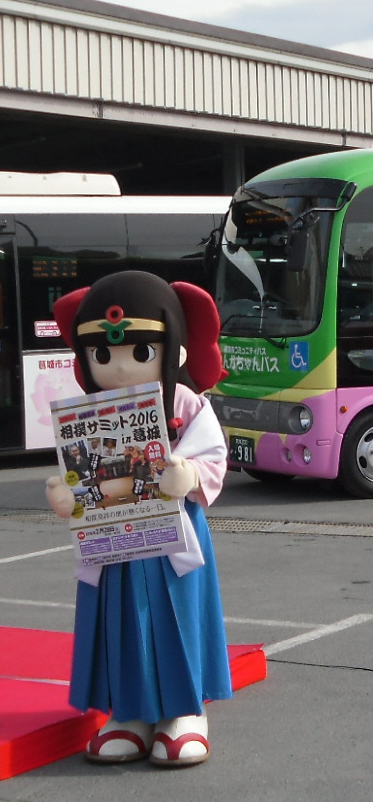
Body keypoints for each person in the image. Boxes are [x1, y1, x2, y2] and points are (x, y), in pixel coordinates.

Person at [44, 271, 231, 768]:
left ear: (173, 350)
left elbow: (213, 454)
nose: (121, 366)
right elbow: (78, 470)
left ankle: (184, 712)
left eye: (141, 351)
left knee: (177, 616)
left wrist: (190, 474)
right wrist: (66, 493)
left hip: (173, 540)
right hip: (113, 541)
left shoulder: (184, 403)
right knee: (120, 619)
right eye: (103, 355)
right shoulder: (89, 412)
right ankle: (128, 712)